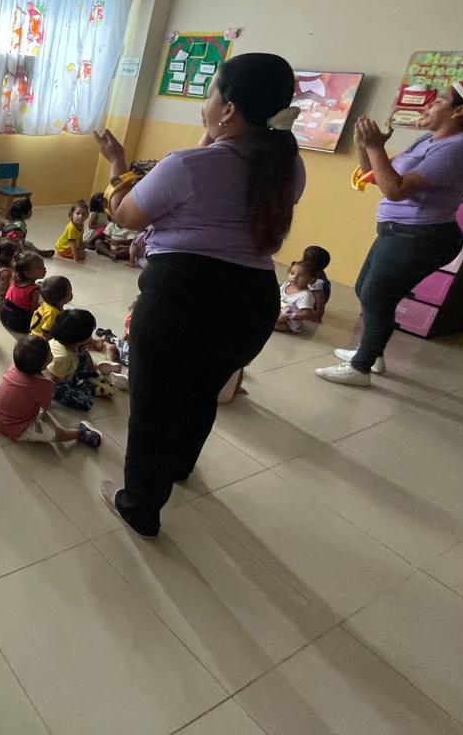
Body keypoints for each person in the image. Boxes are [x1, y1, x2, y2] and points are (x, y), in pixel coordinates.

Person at [94, 51, 306, 538]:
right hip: (253, 301)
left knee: (153, 406)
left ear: (228, 108)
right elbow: (226, 185)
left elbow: (125, 215)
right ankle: (179, 467)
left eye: (210, 94)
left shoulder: (186, 165)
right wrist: (212, 140)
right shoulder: (287, 167)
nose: (204, 103)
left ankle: (139, 505)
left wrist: (118, 162)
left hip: (183, 298)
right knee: (201, 392)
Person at [318, 79, 463, 385]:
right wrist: (366, 145)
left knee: (377, 296)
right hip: (399, 232)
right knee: (367, 290)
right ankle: (371, 353)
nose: (429, 105)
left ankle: (361, 368)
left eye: (439, 100)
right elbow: (377, 176)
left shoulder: (462, 148)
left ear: (459, 111)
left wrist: (376, 146)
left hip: (421, 237)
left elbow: (396, 190)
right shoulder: (430, 140)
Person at [0, 336, 103, 447]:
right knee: (53, 433)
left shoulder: (13, 367)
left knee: (1, 388)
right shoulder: (45, 384)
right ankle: (80, 433)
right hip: (15, 428)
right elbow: (45, 406)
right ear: (45, 363)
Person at [47, 308, 113, 411]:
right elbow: (52, 381)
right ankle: (87, 387)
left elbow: (86, 355)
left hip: (68, 370)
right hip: (58, 382)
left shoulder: (68, 341)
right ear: (81, 338)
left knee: (83, 353)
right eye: (90, 334)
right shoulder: (63, 358)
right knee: (85, 403)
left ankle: (85, 380)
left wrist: (93, 371)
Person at [0, 251, 46, 334]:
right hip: (19, 323)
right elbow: (34, 309)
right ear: (28, 273)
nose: (44, 269)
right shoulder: (34, 289)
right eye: (40, 267)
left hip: (3, 315)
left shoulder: (14, 280)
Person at [275, 261, 316, 334]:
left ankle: (288, 328)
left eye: (300, 276)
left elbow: (306, 314)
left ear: (310, 280)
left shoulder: (305, 295)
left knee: (273, 324)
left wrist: (288, 316)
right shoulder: (286, 285)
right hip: (279, 311)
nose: (294, 277)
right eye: (292, 273)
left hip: (290, 320)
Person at [30, 274, 72, 339]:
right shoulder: (53, 313)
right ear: (65, 299)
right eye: (70, 292)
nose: (72, 294)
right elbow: (46, 332)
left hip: (34, 331)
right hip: (38, 338)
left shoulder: (46, 303)